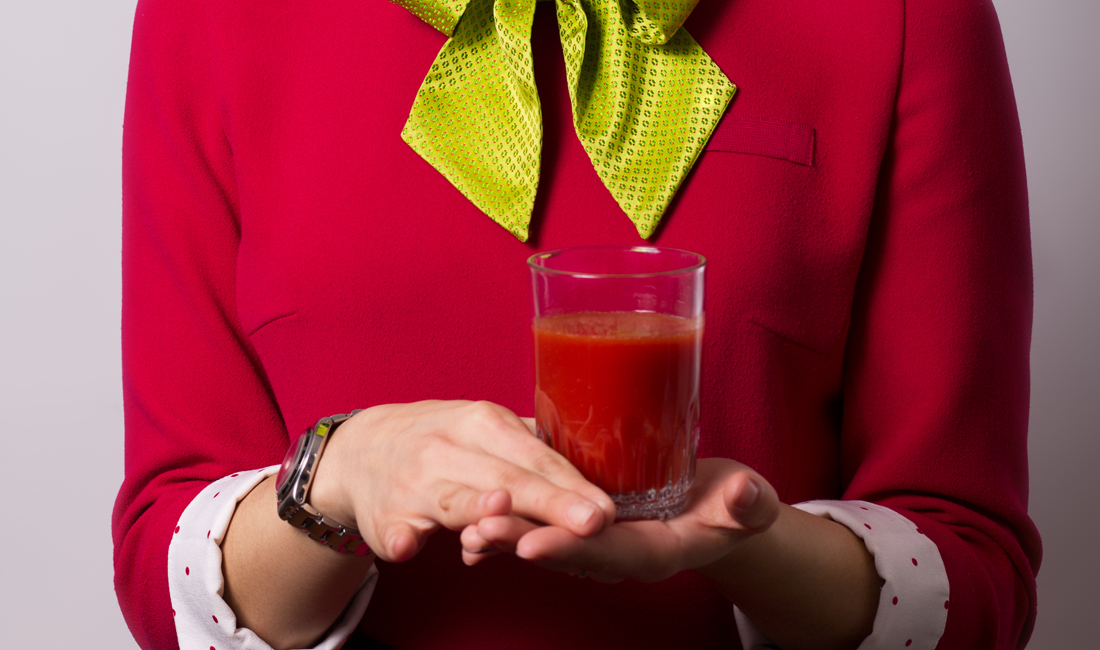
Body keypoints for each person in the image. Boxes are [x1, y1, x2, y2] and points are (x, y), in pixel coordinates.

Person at [112, 0, 1041, 648]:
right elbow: (162, 569)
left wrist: (756, 542)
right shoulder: (213, 14)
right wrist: (339, 476)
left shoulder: (911, 14)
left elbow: (975, 572)